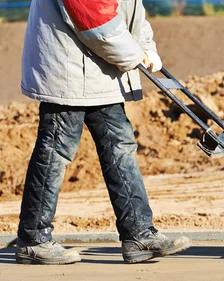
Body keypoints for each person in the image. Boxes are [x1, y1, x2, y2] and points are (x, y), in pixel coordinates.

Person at [17, 0, 190, 264]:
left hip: (100, 71)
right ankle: (33, 239)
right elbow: (94, 17)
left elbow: (131, 11)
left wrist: (146, 45)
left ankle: (139, 234)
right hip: (68, 71)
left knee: (120, 148)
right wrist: (133, 55)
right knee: (55, 152)